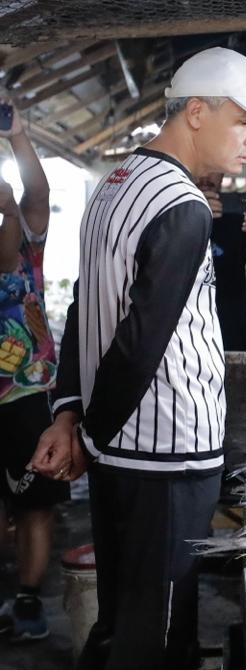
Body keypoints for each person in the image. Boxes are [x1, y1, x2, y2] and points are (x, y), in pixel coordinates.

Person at [28, 47, 246, 670]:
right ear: (196, 112)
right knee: (157, 642)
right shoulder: (183, 208)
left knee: (124, 622)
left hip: (125, 454)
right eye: (245, 122)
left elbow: (85, 314)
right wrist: (88, 435)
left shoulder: (113, 186)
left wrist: (71, 416)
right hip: (167, 457)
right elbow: (141, 341)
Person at [0, 97, 69, 642]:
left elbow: (37, 192)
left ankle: (27, 599)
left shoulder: (27, 246)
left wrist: (19, 136)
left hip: (26, 394)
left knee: (34, 505)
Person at [195, 173, 246, 351]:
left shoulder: (236, 218)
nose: (205, 177)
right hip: (186, 341)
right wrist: (192, 214)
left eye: (213, 170)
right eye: (202, 168)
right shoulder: (170, 214)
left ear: (222, 175)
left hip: (232, 341)